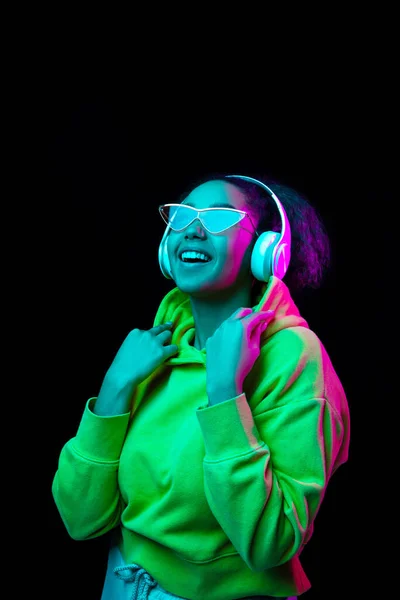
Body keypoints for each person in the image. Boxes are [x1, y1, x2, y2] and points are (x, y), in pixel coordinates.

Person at [52, 173, 350, 600]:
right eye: (183, 215)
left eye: (218, 218)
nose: (193, 228)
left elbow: (271, 543)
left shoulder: (293, 357)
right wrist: (115, 389)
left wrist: (226, 394)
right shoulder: (159, 346)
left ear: (266, 250)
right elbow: (80, 519)